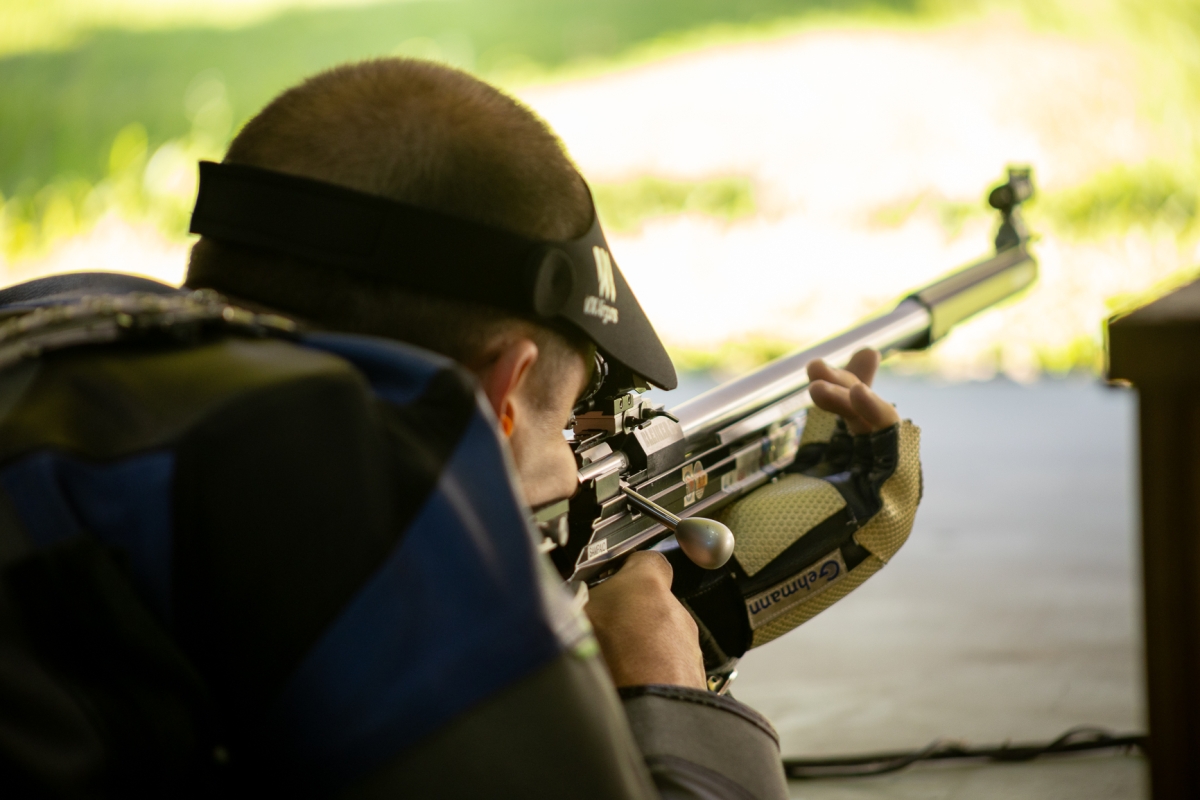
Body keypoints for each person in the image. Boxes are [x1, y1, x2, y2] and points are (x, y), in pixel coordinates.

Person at [0, 59, 916, 799]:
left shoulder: (56, 336)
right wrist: (663, 685)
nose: (576, 462)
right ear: (501, 394)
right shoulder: (362, 477)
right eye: (564, 421)